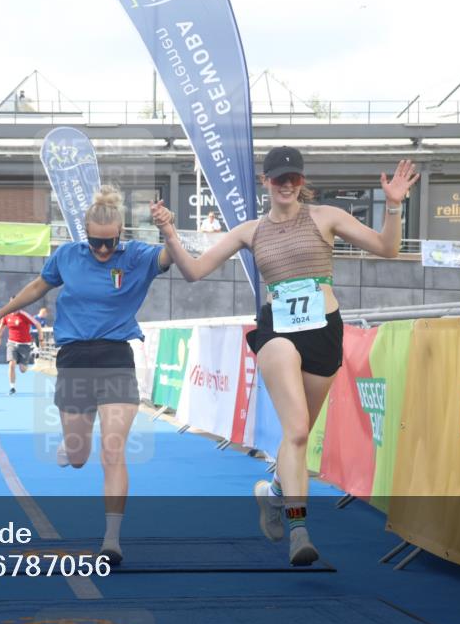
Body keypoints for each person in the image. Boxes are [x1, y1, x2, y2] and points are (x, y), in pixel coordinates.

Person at [151, 146, 418, 566]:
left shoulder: (325, 217)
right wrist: (170, 234)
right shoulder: (249, 231)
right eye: (280, 179)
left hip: (323, 332)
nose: (288, 185)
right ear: (266, 182)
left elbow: (387, 249)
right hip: (276, 329)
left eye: (294, 178)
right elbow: (195, 271)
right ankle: (299, 531)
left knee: (301, 435)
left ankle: (273, 494)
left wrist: (393, 206)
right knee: (294, 430)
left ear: (302, 181)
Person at [0, 186, 171, 565]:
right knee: (80, 455)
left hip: (115, 356)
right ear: (85, 234)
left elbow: (170, 258)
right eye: (96, 243)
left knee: (113, 450)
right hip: (74, 358)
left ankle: (111, 539)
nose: (102, 251)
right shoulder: (67, 255)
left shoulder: (134, 256)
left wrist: (169, 231)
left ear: (121, 233)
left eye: (109, 243)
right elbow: (37, 287)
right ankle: (71, 446)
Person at [0, 300, 41, 395]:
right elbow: (2, 326)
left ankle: (31, 351)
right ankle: (12, 387)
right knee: (12, 364)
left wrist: (41, 339)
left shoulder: (24, 315)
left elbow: (37, 324)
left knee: (23, 370)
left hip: (25, 345)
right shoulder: (7, 316)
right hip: (12, 344)